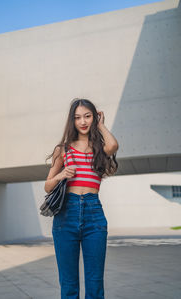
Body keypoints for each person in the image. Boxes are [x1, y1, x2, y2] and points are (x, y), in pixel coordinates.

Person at [44, 98, 119, 299]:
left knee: (95, 284)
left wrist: (101, 126)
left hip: (93, 215)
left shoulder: (99, 147)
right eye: (77, 118)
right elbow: (48, 185)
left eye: (87, 116)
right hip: (66, 214)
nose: (83, 122)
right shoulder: (63, 149)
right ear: (72, 121)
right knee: (68, 284)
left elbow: (113, 145)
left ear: (94, 117)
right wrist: (61, 175)